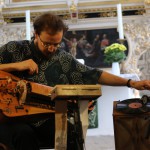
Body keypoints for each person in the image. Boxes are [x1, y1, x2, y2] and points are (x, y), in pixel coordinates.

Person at [0, 12, 150, 150]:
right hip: (9, 119)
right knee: (24, 136)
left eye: (56, 44)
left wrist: (131, 83)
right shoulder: (14, 49)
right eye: (47, 44)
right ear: (36, 34)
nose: (52, 49)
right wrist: (17, 66)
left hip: (42, 118)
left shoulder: (62, 58)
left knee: (72, 134)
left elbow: (94, 74)